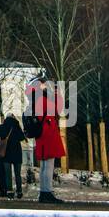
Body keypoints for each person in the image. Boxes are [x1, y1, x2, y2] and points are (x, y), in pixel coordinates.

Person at [25, 72, 66, 203]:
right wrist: (55, 92)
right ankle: (46, 192)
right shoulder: (41, 99)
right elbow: (57, 109)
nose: (44, 85)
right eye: (42, 83)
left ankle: (44, 192)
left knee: (44, 165)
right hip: (48, 135)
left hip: (43, 135)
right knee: (48, 165)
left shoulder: (34, 99)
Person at [0, 112, 25, 198]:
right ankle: (19, 191)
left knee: (8, 174)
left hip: (6, 154)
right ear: (14, 118)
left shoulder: (2, 126)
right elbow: (22, 137)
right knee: (17, 173)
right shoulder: (17, 126)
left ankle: (10, 192)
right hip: (17, 154)